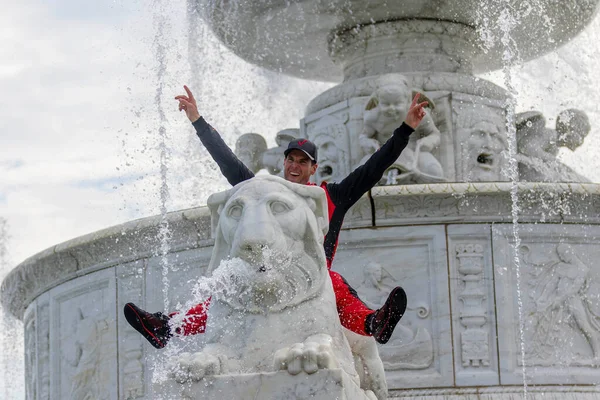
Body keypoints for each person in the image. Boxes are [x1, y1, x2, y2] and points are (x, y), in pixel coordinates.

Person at [124, 85, 429, 349]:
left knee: (333, 281)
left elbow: (374, 167)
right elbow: (227, 162)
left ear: (314, 168)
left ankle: (374, 323)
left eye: (303, 162)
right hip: (263, 270)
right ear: (284, 162)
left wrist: (406, 129)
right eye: (291, 160)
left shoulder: (330, 195)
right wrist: (197, 120)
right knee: (225, 285)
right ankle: (167, 328)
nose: (295, 166)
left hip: (309, 275)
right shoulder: (261, 190)